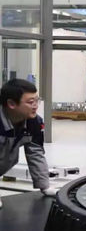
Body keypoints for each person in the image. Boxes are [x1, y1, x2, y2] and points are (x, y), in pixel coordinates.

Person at [0, 79, 58, 209]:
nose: (35, 106)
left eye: (37, 100)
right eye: (31, 102)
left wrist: (45, 185)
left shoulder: (34, 122)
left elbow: (35, 153)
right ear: (11, 104)